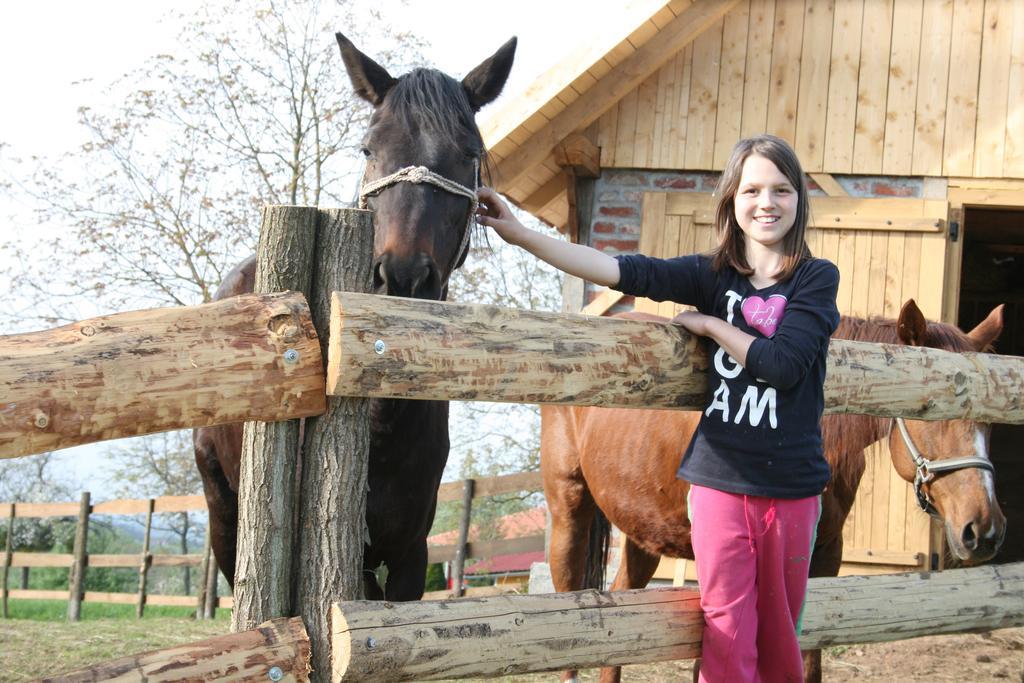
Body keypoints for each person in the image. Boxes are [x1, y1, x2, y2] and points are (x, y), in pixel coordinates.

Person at [476, 134, 840, 683]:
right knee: (726, 630)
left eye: (781, 189)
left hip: (793, 491)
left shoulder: (816, 278)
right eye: (753, 190)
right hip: (719, 484)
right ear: (732, 202)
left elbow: (785, 365)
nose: (767, 202)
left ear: (798, 202)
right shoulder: (711, 276)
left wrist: (712, 324)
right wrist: (521, 234)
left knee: (780, 637)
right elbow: (617, 269)